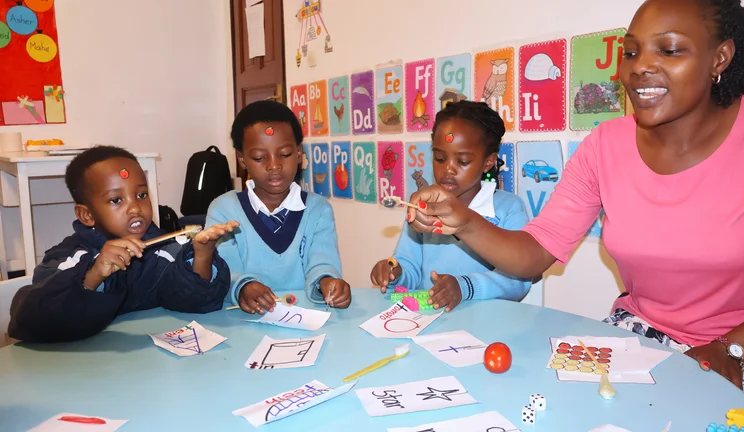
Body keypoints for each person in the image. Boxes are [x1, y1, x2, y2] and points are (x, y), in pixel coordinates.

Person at [405, 0, 744, 409]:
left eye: (668, 50)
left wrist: (732, 349)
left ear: (719, 58)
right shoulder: (604, 146)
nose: (640, 67)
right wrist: (464, 220)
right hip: (641, 336)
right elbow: (536, 251)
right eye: (631, 52)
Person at [8, 146, 238, 343]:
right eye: (116, 200)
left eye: (141, 195)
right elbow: (29, 319)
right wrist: (93, 275)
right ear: (86, 215)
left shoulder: (164, 251)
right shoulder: (69, 257)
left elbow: (194, 302)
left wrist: (202, 255)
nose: (135, 208)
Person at [370, 101, 531, 312]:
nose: (448, 170)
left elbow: (517, 281)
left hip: (487, 326)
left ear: (488, 162)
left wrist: (464, 287)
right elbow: (409, 268)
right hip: (429, 323)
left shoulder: (508, 209)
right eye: (439, 158)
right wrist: (393, 272)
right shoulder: (423, 208)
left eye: (462, 161)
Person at [207, 100, 351, 314]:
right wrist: (244, 286)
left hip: (305, 321)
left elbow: (322, 260)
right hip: (242, 324)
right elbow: (223, 270)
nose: (274, 165)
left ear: (299, 152)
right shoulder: (224, 210)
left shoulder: (318, 210)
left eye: (284, 154)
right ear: (242, 159)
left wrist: (328, 282)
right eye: (259, 157)